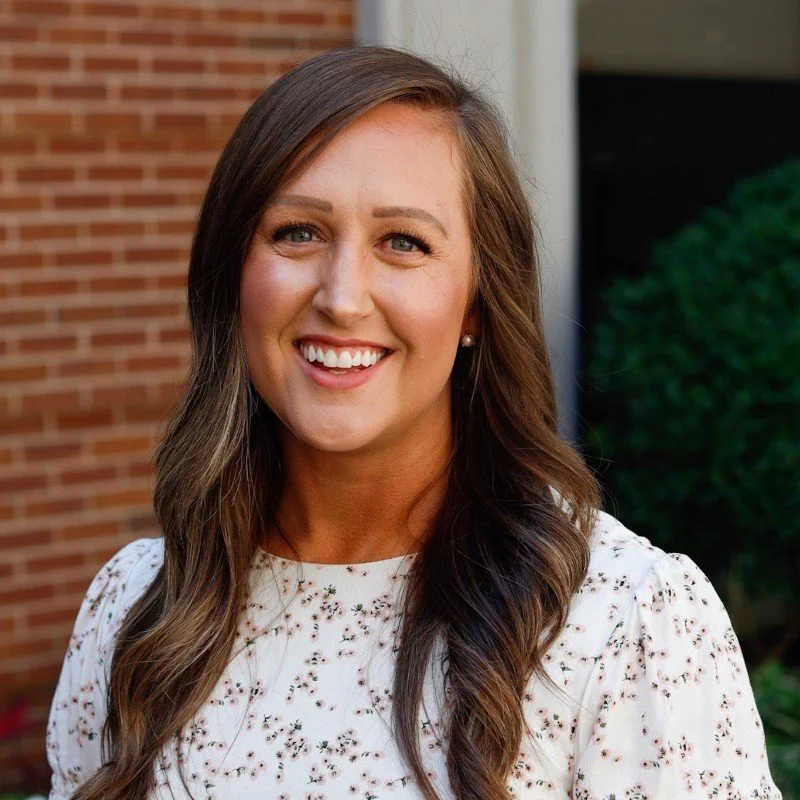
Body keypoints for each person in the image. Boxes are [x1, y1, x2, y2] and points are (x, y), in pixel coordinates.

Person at [45, 45, 781, 800]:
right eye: (297, 231)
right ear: (232, 273)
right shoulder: (136, 609)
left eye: (404, 242)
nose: (341, 295)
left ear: (475, 307)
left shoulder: (625, 620)